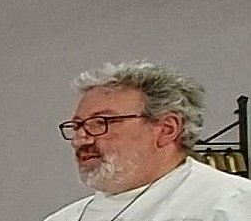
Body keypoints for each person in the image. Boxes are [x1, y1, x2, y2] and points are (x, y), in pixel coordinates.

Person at [45, 60, 251, 221]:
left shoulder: (232, 204)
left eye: (100, 122)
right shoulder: (64, 218)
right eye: (77, 126)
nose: (80, 140)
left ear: (167, 129)